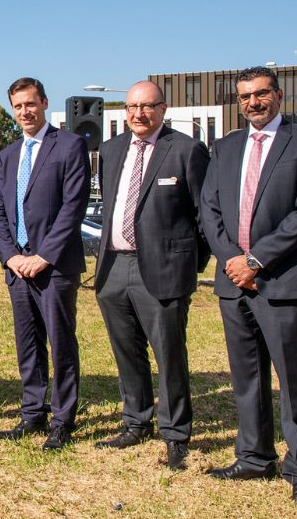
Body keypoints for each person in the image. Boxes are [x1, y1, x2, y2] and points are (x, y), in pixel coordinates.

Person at [199, 66, 297, 510]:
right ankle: (254, 456)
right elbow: (209, 208)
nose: (252, 103)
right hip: (234, 282)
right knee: (246, 377)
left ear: (278, 95)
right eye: (244, 97)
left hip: (284, 280)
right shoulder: (227, 146)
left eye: (260, 94)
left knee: (295, 379)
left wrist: (257, 259)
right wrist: (232, 259)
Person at [93, 80, 210, 471]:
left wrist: (188, 264)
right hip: (113, 267)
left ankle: (176, 433)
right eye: (131, 107)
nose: (138, 114)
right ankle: (135, 420)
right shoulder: (110, 151)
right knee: (126, 349)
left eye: (147, 106)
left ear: (163, 109)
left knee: (169, 354)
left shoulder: (187, 150)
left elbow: (203, 216)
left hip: (163, 269)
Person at [0, 77, 89, 451]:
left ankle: (63, 420)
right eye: (17, 106)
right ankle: (32, 413)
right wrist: (12, 256)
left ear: (44, 103)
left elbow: (73, 207)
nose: (25, 112)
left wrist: (43, 256)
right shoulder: (8, 155)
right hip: (17, 268)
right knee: (27, 344)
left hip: (55, 266)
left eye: (30, 104)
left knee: (61, 342)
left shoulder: (69, 145)